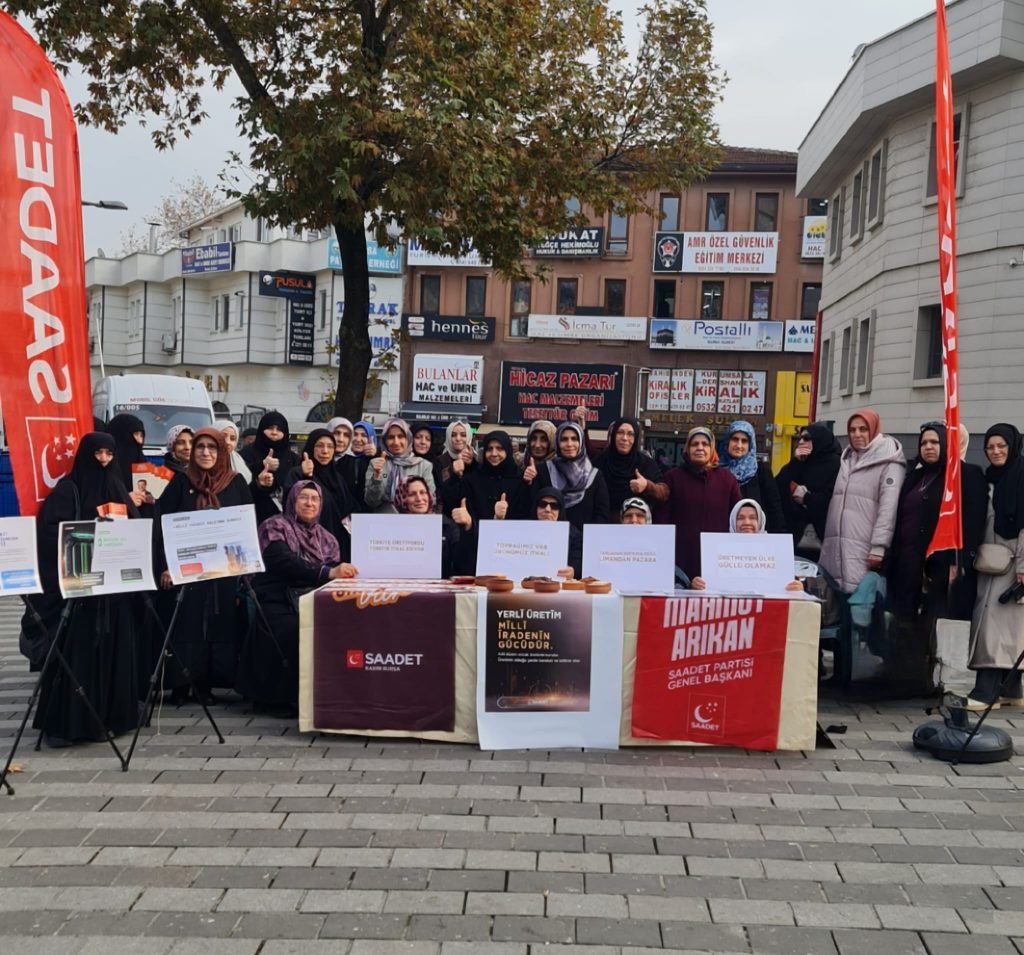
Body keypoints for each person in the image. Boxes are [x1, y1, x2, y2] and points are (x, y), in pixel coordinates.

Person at [25, 433, 143, 744]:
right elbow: (50, 532)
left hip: (116, 592)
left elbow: (136, 527)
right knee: (79, 657)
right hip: (82, 594)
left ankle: (114, 717)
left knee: (115, 655)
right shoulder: (69, 489)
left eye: (109, 453)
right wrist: (91, 533)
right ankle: (72, 724)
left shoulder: (118, 486)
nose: (103, 459)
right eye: (98, 453)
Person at [237, 480, 358, 714]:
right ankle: (274, 698)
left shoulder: (327, 537)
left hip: (312, 597)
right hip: (276, 596)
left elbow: (333, 572)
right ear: (292, 499)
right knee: (290, 627)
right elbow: (282, 561)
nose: (309, 503)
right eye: (303, 497)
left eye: (315, 499)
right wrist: (325, 572)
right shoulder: (275, 526)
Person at [886, 422, 989, 691]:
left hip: (942, 566)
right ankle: (909, 677)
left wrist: (961, 560)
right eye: (924, 443)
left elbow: (973, 521)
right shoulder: (914, 477)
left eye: (935, 442)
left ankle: (938, 682)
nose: (928, 447)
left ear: (946, 445)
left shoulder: (965, 475)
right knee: (908, 619)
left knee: (937, 621)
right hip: (908, 561)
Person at [157, 428, 253, 702]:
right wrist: (166, 566)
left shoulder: (235, 483)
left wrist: (245, 565)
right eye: (200, 447)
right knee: (186, 625)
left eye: (212, 447)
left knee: (217, 622)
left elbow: (246, 527)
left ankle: (206, 685)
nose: (206, 452)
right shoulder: (179, 482)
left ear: (222, 451)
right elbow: (162, 525)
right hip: (186, 569)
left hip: (222, 570)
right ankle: (179, 683)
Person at [967, 423, 1024, 710]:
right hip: (991, 562)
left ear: (1013, 446)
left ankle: (985, 691)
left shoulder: (1021, 476)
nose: (996, 451)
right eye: (990, 447)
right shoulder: (992, 478)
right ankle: (1012, 689)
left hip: (1014, 564)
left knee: (994, 624)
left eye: (1001, 446)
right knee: (1008, 627)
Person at [820, 410, 906, 594]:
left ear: (873, 430)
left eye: (863, 429)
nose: (857, 434)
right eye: (852, 430)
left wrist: (878, 547)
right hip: (838, 548)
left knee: (862, 608)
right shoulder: (848, 459)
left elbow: (888, 508)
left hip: (865, 549)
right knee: (842, 607)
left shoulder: (889, 463)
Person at [655, 427, 741, 581]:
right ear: (687, 448)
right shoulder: (672, 478)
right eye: (695, 444)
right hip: (680, 560)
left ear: (712, 448)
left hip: (719, 560)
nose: (700, 448)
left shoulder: (727, 480)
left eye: (705, 444)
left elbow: (737, 518)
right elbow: (662, 519)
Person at [691, 498, 804, 592]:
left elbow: (789, 582)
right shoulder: (719, 549)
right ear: (733, 522)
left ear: (760, 521)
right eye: (740, 518)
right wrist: (697, 584)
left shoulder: (776, 549)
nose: (746, 522)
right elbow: (708, 583)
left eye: (753, 518)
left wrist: (797, 587)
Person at [283, 428, 356, 556]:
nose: (325, 451)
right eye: (320, 446)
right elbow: (290, 505)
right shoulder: (297, 473)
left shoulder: (338, 479)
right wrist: (306, 478)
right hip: (309, 546)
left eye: (330, 447)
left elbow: (349, 509)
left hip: (338, 547)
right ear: (311, 448)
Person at [775, 422, 842, 555]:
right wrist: (795, 462)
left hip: (822, 535)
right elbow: (777, 487)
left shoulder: (836, 464)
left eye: (806, 438)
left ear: (819, 440)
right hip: (794, 535)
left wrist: (806, 498)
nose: (800, 442)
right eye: (800, 438)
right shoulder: (801, 462)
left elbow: (832, 499)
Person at [529, 422, 610, 529]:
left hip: (583, 541)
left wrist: (587, 540)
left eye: (574, 439)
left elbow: (602, 514)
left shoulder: (594, 476)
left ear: (581, 442)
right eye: (564, 439)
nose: (569, 444)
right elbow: (533, 508)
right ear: (557, 442)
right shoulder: (543, 471)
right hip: (548, 538)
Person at [395, 476, 472, 577]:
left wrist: (468, 526)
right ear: (402, 498)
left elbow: (463, 563)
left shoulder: (446, 525)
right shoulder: (393, 528)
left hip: (439, 588)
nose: (419, 499)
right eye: (412, 494)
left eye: (423, 492)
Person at [718, 420, 786, 533]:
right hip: (724, 540)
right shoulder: (716, 472)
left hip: (757, 541)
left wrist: (779, 540)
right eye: (735, 439)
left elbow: (774, 509)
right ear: (727, 442)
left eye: (744, 441)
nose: (739, 445)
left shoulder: (761, 472)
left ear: (750, 445)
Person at [592, 417, 668, 516]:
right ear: (613, 435)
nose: (624, 438)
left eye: (630, 434)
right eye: (620, 432)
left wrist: (647, 486)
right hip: (603, 526)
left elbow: (664, 494)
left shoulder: (645, 464)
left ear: (636, 438)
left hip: (636, 525)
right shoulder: (600, 461)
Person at [365, 417, 437, 512]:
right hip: (383, 521)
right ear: (385, 441)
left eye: (400, 436)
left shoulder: (423, 466)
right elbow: (371, 501)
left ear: (408, 438)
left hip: (414, 521)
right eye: (391, 437)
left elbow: (431, 500)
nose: (396, 442)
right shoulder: (376, 464)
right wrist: (377, 477)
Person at [240, 411, 298, 524]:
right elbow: (239, 486)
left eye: (279, 429)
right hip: (252, 519)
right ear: (262, 429)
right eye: (270, 428)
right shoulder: (245, 454)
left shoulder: (294, 459)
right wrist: (261, 466)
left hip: (286, 523)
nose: (274, 433)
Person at [532, 487, 582, 579]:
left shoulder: (574, 535)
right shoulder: (523, 530)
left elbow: (578, 561)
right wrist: (498, 518)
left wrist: (573, 570)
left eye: (554, 506)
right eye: (542, 504)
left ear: (560, 511)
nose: (547, 509)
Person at [105, 413, 149, 508]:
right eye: (135, 434)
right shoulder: (104, 469)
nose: (139, 441)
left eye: (141, 435)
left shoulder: (145, 466)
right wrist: (125, 500)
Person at [342, 419, 377, 504]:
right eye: (355, 434)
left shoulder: (377, 460)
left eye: (364, 435)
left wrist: (374, 455)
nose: (358, 439)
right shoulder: (341, 459)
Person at [215, 419, 252, 484]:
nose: (227, 442)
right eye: (223, 436)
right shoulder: (203, 460)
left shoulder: (238, 460)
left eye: (232, 439)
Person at [411, 421, 444, 492]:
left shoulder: (437, 464)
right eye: (418, 437)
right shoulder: (403, 461)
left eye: (427, 439)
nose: (423, 442)